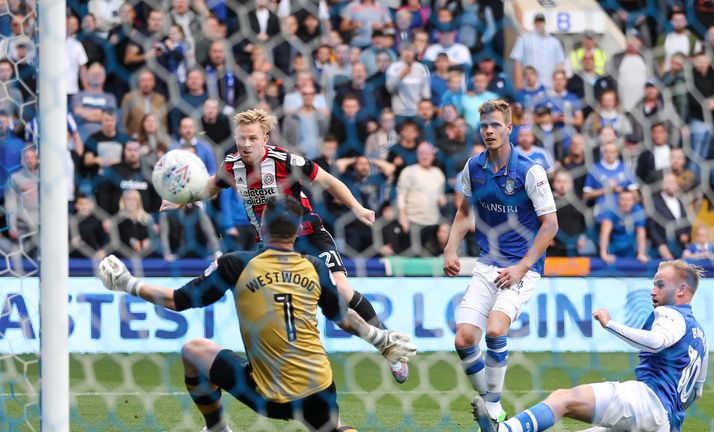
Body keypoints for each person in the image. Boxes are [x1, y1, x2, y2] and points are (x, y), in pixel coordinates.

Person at [97, 196, 417, 432]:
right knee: (334, 428)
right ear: (297, 233)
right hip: (318, 387)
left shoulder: (237, 263)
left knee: (193, 351)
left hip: (267, 394)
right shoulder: (315, 267)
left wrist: (128, 283)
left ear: (261, 228)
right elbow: (343, 317)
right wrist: (381, 338)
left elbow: (179, 301)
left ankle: (218, 428)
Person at [159, 108, 411, 383]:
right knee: (272, 309)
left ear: (265, 138)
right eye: (241, 138)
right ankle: (275, 369)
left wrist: (357, 207)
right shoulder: (232, 165)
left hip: (308, 234)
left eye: (252, 138)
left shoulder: (285, 160)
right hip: (270, 246)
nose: (245, 144)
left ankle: (388, 345)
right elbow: (211, 187)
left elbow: (327, 180)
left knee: (341, 291)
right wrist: (181, 198)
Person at [473, 260, 709, 432]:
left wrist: (610, 324)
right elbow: (695, 393)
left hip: (646, 402)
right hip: (665, 423)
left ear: (681, 290)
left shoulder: (670, 314)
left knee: (563, 399)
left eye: (660, 284)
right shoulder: (701, 336)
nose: (652, 290)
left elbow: (658, 342)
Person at [443, 99, 558, 423]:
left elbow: (550, 225)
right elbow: (465, 213)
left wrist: (522, 266)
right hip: (487, 262)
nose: (489, 131)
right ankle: (492, 405)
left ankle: (491, 406)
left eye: (496, 125)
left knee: (495, 330)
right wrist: (451, 249)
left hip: (522, 267)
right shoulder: (473, 168)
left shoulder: (529, 170)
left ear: (510, 128)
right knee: (463, 339)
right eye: (484, 126)